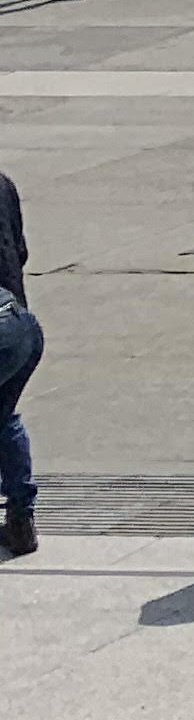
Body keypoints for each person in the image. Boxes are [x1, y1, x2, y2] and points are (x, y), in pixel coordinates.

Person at [0, 164, 31, 555]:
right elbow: (19, 250)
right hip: (18, 321)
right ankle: (21, 517)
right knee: (3, 417)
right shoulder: (3, 182)